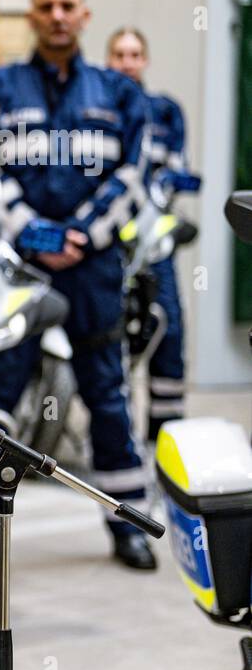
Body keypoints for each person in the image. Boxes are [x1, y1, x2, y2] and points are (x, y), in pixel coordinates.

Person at [0, 0, 156, 570]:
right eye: (47, 6)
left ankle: (129, 524)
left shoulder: (120, 94)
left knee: (107, 391)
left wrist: (82, 235)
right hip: (18, 266)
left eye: (69, 5)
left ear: (85, 15)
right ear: (32, 17)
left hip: (92, 268)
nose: (59, 15)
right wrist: (29, 233)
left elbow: (134, 177)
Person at [106, 26, 197, 440]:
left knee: (167, 331)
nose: (127, 62)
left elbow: (178, 171)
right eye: (120, 54)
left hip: (152, 248)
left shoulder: (165, 111)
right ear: (108, 60)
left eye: (135, 54)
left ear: (145, 60)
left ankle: (165, 440)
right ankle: (115, 439)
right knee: (110, 344)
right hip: (105, 248)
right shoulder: (95, 111)